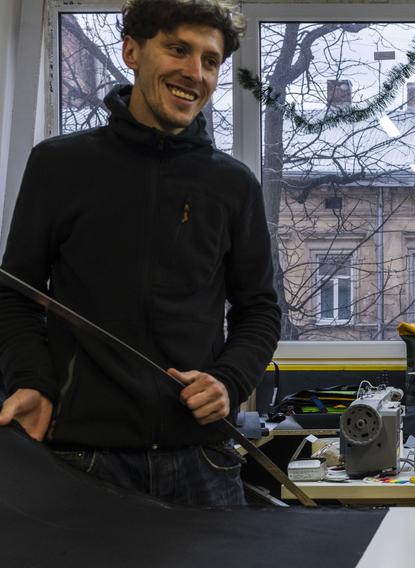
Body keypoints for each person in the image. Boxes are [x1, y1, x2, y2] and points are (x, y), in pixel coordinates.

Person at [0, 0, 280, 507]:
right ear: (132, 50)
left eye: (211, 61)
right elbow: (14, 295)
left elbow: (259, 309)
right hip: (82, 461)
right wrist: (31, 382)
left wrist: (228, 380)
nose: (195, 73)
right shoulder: (58, 166)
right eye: (178, 50)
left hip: (203, 463)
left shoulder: (233, 185)